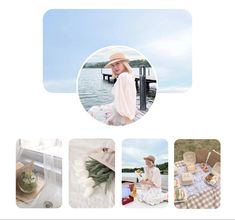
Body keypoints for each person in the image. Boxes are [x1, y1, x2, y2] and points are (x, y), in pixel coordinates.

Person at [88, 52, 137, 126]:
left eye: (117, 63)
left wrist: (126, 118)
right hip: (123, 109)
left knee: (92, 111)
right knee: (96, 110)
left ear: (124, 63)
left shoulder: (123, 76)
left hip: (120, 112)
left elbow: (124, 100)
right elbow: (129, 98)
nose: (115, 67)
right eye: (113, 65)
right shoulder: (129, 75)